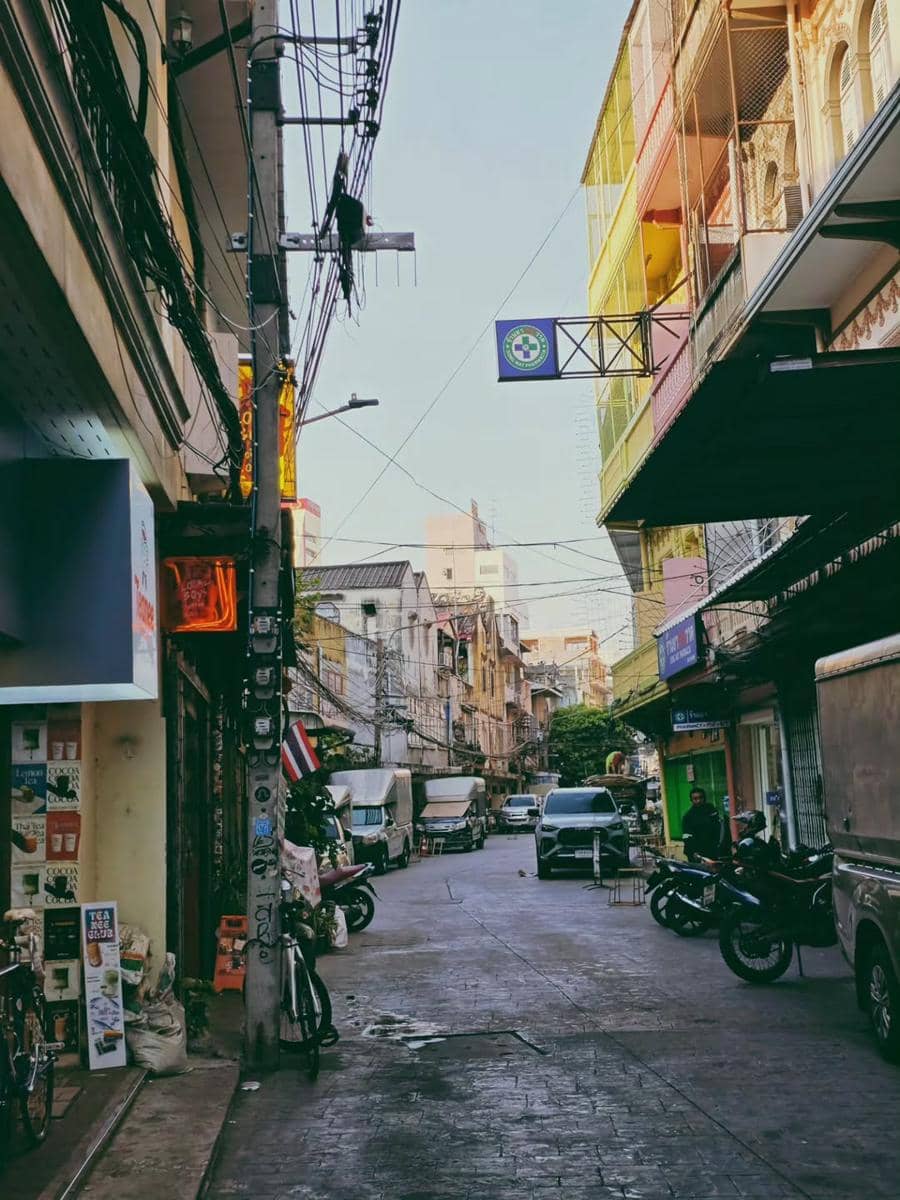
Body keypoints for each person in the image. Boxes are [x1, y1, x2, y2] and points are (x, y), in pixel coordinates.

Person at [681, 786, 723, 860]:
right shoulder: (688, 816)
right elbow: (687, 837)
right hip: (696, 853)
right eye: (695, 799)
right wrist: (693, 852)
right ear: (691, 800)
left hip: (712, 850)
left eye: (701, 798)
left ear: (704, 798)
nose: (698, 800)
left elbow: (718, 828)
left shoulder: (711, 810)